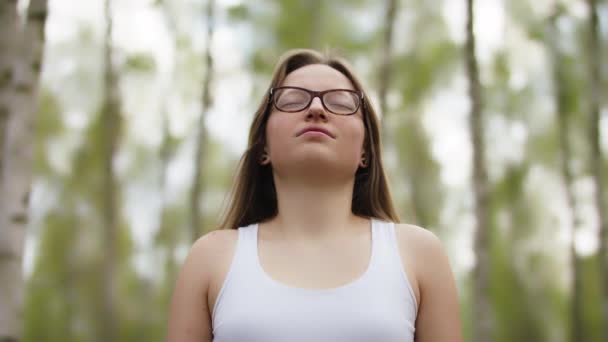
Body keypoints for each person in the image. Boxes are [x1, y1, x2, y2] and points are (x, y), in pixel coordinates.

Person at [167, 48, 462, 342]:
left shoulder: (419, 254)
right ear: (263, 147)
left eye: (340, 103)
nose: (316, 109)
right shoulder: (210, 258)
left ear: (365, 151)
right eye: (293, 101)